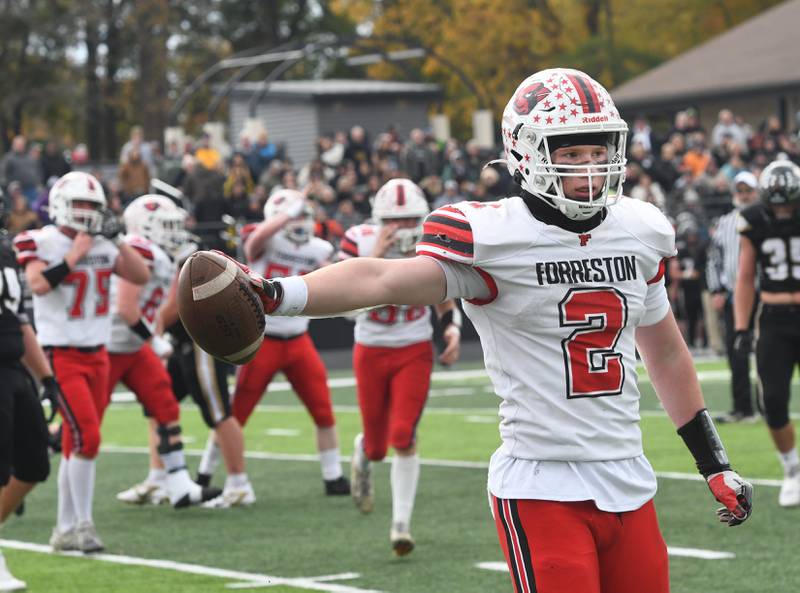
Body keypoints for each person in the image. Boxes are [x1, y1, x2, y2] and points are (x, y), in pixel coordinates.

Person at [214, 68, 753, 592]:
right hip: (541, 484)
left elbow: (667, 355)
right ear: (527, 152)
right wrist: (280, 294)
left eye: (598, 151)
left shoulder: (639, 231)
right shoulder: (494, 237)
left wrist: (714, 463)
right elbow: (381, 278)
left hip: (629, 478)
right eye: (570, 154)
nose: (589, 169)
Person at [13, 171, 150, 553]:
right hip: (60, 353)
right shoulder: (41, 240)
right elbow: (38, 284)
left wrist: (117, 240)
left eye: (93, 205)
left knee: (77, 442)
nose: (87, 211)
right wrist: (75, 254)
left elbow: (140, 274)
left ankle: (64, 528)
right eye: (80, 204)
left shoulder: (105, 243)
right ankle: (84, 525)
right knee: (88, 438)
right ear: (61, 205)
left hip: (98, 353)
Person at [197, 189, 350, 506]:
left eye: (304, 215)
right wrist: (286, 214)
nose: (300, 222)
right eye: (295, 215)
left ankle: (333, 476)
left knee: (323, 409)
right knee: (235, 414)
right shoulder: (265, 238)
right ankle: (204, 474)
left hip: (299, 340)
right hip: (263, 341)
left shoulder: (319, 248)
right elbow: (252, 244)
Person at [338, 178, 462, 556]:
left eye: (411, 219)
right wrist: (376, 256)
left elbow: (444, 294)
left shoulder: (434, 241)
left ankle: (401, 525)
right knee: (377, 448)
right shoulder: (360, 241)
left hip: (413, 348)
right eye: (396, 220)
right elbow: (346, 309)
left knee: (403, 435)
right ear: (379, 220)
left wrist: (451, 327)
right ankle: (363, 450)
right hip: (371, 348)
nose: (405, 227)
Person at [117, 239, 255, 509]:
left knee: (218, 412)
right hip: (178, 343)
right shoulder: (156, 254)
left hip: (200, 341)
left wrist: (150, 331)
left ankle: (239, 484)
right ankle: (158, 478)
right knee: (158, 407)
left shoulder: (185, 256)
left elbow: (172, 307)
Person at [104, 195, 221, 507]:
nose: (173, 232)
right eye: (166, 225)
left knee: (165, 406)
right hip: (108, 346)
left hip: (133, 346)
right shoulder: (140, 249)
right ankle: (26, 461)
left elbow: (152, 309)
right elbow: (126, 308)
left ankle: (179, 484)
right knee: (83, 423)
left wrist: (152, 337)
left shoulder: (163, 255)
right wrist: (153, 341)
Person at [734, 159, 800, 507]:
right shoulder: (754, 220)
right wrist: (742, 326)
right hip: (774, 319)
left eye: (789, 204)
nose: (783, 212)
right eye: (777, 206)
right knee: (772, 399)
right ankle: (793, 470)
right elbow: (745, 277)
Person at [0, 198, 56, 590]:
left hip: (14, 369)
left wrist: (47, 377)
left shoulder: (6, 253)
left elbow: (19, 322)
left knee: (35, 464)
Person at [706, 171, 759, 423]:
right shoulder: (725, 222)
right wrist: (716, 290)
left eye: (748, 191)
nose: (744, 195)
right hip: (732, 296)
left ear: (756, 192)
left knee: (767, 352)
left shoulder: (764, 218)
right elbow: (713, 258)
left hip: (762, 294)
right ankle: (743, 407)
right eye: (740, 191)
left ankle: (768, 406)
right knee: (735, 352)